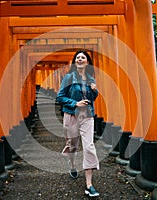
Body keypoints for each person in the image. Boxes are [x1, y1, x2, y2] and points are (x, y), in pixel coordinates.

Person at [56, 50, 100, 197]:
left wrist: (94, 91)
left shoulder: (90, 78)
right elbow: (60, 97)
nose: (80, 59)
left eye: (83, 57)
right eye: (78, 57)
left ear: (87, 62)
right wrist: (75, 103)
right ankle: (73, 165)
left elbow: (92, 98)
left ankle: (89, 185)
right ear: (75, 62)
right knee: (72, 145)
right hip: (71, 114)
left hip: (87, 115)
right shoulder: (68, 78)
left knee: (89, 146)